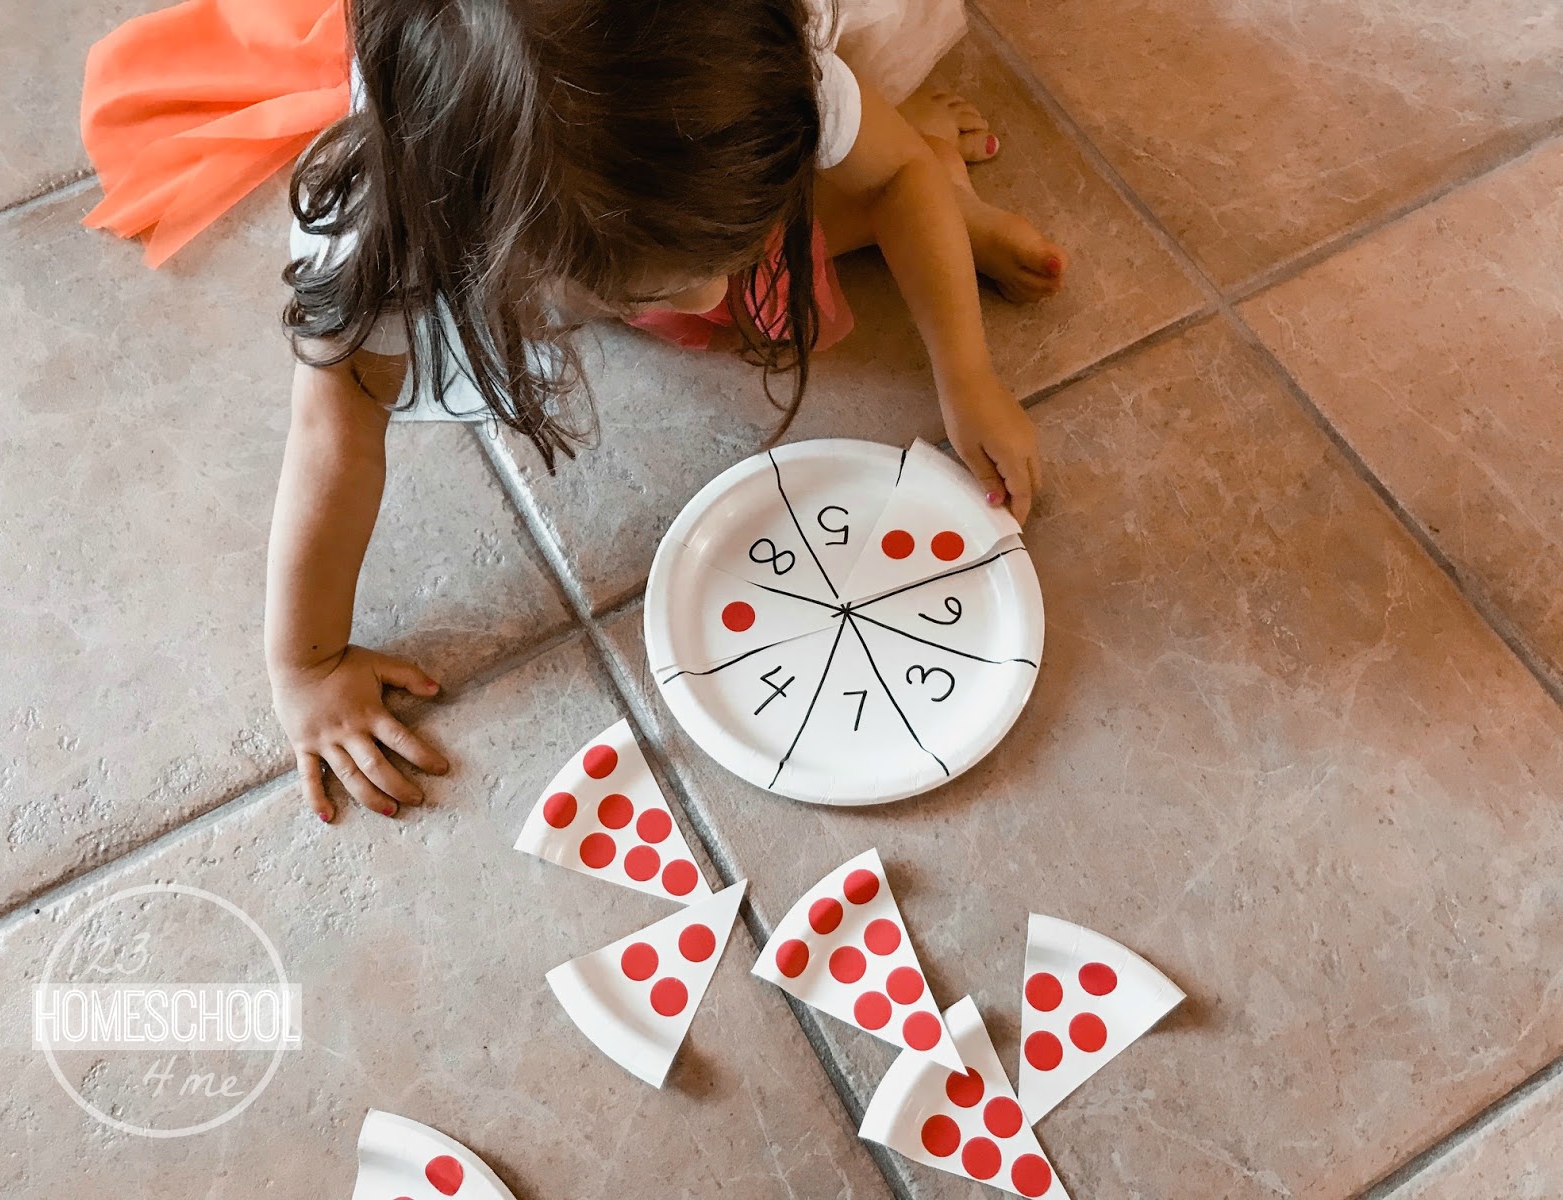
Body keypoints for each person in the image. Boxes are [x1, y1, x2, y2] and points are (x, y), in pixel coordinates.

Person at [83, 0, 1067, 821]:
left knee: (841, 193)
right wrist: (305, 665)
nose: (709, 297)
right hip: (521, 152)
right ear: (493, 248)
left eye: (722, 254)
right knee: (748, 284)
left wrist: (967, 375)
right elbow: (332, 430)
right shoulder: (388, 231)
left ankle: (910, 181)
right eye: (658, 281)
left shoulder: (753, 56)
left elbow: (886, 173)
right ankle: (863, 193)